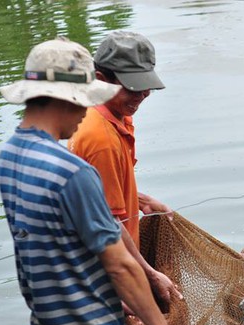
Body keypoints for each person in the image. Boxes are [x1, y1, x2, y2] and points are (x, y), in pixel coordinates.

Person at [0, 37, 183, 325]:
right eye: (83, 101)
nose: (84, 113)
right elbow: (118, 264)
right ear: (69, 97)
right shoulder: (73, 172)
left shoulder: (10, 157)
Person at [68, 30, 180, 307]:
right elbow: (108, 224)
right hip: (104, 270)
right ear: (101, 80)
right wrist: (150, 273)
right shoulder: (100, 137)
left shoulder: (117, 115)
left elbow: (100, 190)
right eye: (133, 86)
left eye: (146, 85)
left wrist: (141, 199)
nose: (143, 94)